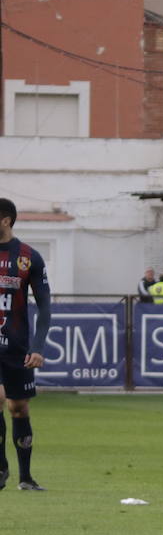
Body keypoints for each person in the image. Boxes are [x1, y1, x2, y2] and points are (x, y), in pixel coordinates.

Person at [0, 198, 52, 491]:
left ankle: (25, 478)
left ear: (6, 220)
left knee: (18, 408)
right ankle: (0, 466)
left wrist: (38, 347)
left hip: (17, 347)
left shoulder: (28, 257)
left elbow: (44, 306)